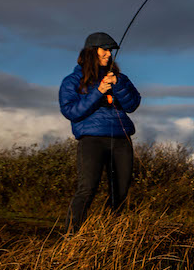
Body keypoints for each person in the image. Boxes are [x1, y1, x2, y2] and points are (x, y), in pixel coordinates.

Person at [59, 31, 141, 232]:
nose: (108, 54)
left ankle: (110, 236)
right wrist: (99, 91)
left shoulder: (119, 78)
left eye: (110, 51)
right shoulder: (72, 81)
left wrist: (118, 85)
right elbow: (70, 111)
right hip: (91, 141)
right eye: (104, 50)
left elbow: (133, 104)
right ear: (90, 52)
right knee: (87, 189)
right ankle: (71, 237)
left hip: (121, 140)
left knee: (120, 193)